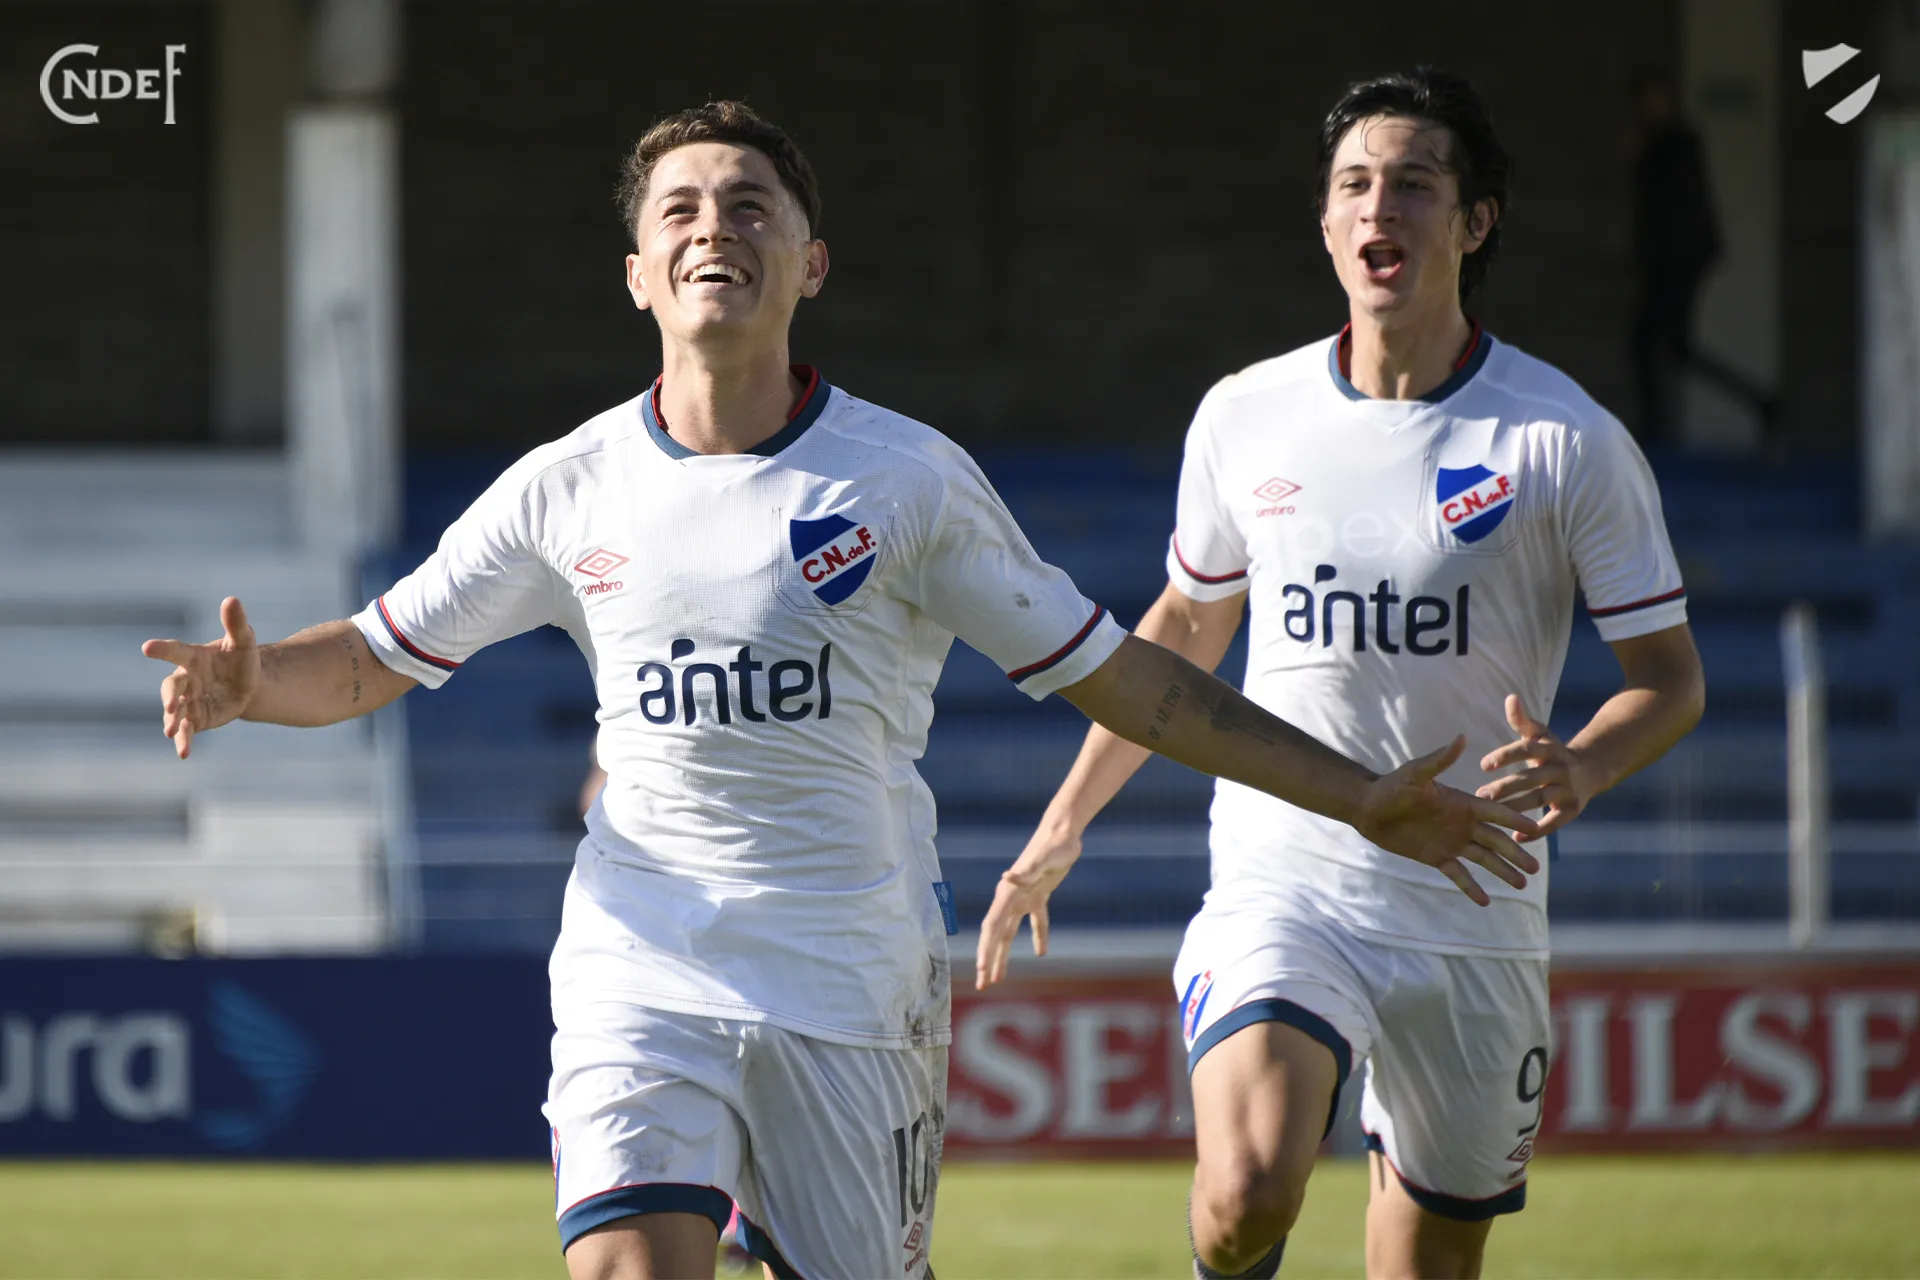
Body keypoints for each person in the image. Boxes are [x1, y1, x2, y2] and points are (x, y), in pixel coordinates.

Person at [142, 100, 1536, 1280]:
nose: (714, 227)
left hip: (851, 984)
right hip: (641, 961)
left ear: (812, 264)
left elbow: (1136, 685)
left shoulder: (906, 482)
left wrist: (1359, 795)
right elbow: (372, 658)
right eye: (681, 209)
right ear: (637, 274)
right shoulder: (565, 489)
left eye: (750, 206)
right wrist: (256, 683)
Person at [976, 69, 1705, 1280]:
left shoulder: (1564, 438)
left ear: (1474, 221)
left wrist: (1582, 764)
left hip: (1474, 902)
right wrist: (1063, 823)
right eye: (1356, 183)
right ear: (1325, 221)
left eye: (1415, 183)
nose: (1381, 206)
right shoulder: (1245, 414)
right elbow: (1183, 631)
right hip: (1289, 880)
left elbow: (1669, 677)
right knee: (1246, 1190)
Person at [1627, 72, 1776, 451]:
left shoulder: (1676, 144)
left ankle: (1656, 432)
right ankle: (1760, 403)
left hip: (1678, 262)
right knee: (1670, 348)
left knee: (1652, 344)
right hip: (1672, 261)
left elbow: (1678, 209)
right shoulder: (1663, 143)